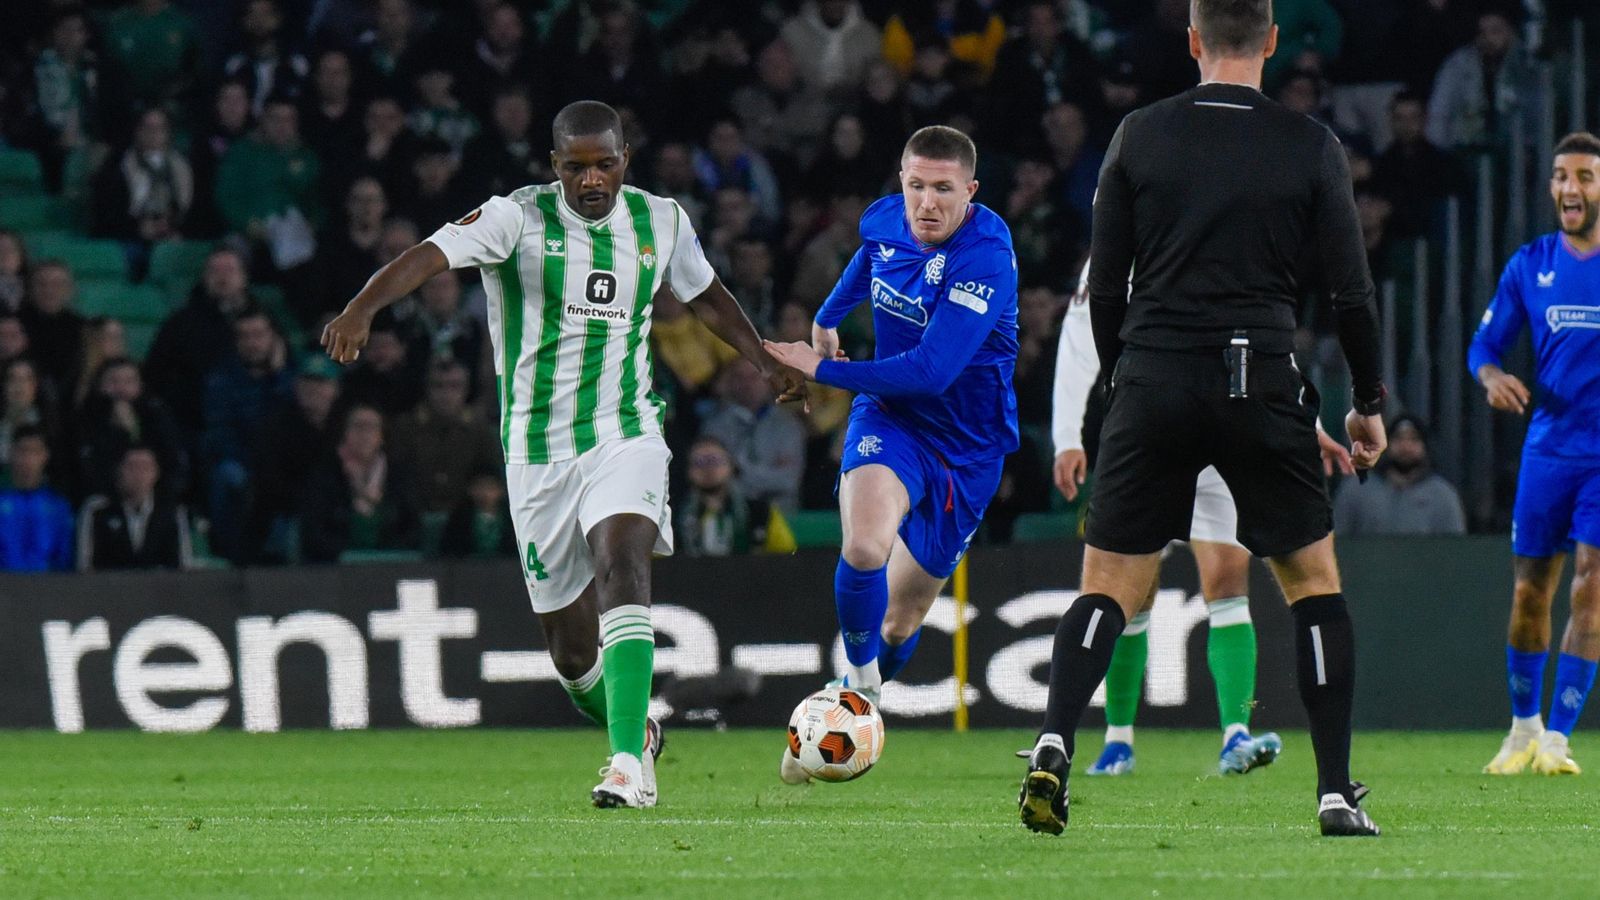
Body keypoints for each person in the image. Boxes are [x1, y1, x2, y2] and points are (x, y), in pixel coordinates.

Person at [320, 100, 803, 810]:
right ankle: (634, 728)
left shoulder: (660, 220)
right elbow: (427, 256)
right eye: (575, 166)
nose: (591, 179)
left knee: (624, 562)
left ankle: (626, 766)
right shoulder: (515, 218)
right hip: (537, 454)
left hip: (625, 431)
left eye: (604, 163)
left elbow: (706, 296)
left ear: (624, 160)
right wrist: (363, 306)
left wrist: (764, 361)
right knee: (574, 657)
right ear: (554, 167)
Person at [1018, 1, 1389, 838]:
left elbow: (1103, 289)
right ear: (1270, 40)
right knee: (1311, 586)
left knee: (1108, 587)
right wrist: (1367, 405)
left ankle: (1052, 740)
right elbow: (1351, 296)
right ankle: (1333, 790)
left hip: (1153, 375)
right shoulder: (1310, 145)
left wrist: (1123, 384)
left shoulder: (1138, 137)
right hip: (1258, 376)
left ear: (1191, 42)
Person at [762, 125, 1018, 782]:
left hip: (968, 448)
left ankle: (848, 695)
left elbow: (931, 371)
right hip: (892, 421)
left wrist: (819, 368)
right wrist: (825, 322)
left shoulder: (985, 256)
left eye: (942, 189)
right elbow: (863, 269)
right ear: (900, 182)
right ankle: (862, 697)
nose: (926, 203)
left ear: (971, 191)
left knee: (901, 623)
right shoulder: (888, 220)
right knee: (864, 548)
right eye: (915, 186)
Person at [1052, 261, 1355, 776]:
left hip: (1221, 414)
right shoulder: (1132, 238)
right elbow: (1081, 332)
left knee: (1226, 576)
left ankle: (1234, 732)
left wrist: (1303, 416)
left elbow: (1257, 325)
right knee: (1130, 587)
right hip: (1155, 416)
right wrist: (1067, 435)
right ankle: (1117, 738)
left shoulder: (1207, 222)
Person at [1469, 132, 1600, 778]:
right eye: (1559, 177)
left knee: (1591, 587)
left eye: (1583, 177)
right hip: (1548, 455)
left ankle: (1559, 738)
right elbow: (1482, 347)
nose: (1569, 189)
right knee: (1530, 595)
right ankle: (1524, 727)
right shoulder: (1533, 263)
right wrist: (1491, 377)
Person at [1332, 415, 1465, 536]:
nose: (1406, 446)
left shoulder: (1443, 496)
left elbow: (1453, 552)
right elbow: (1336, 542)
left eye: (1414, 439)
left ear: (1425, 447)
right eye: (1398, 438)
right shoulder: (1356, 490)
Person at [76, 445, 192, 571]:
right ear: (119, 470)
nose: (139, 474)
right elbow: (84, 567)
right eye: (132, 467)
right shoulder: (97, 509)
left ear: (156, 473)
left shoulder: (172, 512)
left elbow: (184, 566)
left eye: (145, 468)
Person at [0, 426, 74, 572]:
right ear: (11, 453)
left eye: (35, 452)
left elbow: (65, 558)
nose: (28, 459)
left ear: (45, 456)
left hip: (47, 590)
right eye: (22, 451)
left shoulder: (59, 507)